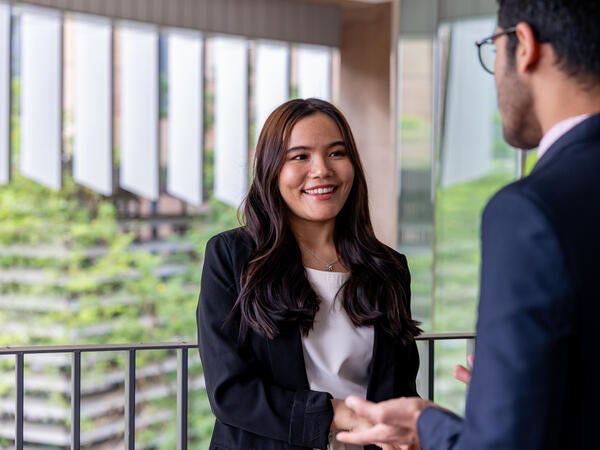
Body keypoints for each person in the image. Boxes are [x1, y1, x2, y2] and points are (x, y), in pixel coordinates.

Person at [336, 0, 600, 449]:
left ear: (524, 46)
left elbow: (502, 442)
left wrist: (429, 426)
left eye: (491, 46)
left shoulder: (529, 210)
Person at [196, 98, 422, 450]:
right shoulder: (233, 257)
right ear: (272, 169)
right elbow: (230, 392)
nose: (321, 170)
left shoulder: (388, 268)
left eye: (336, 153)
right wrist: (336, 412)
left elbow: (400, 388)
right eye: (299, 156)